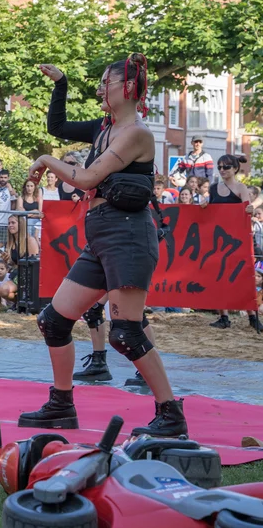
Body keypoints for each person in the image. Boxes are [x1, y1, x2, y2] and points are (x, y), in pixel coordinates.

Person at [20, 58, 185, 437]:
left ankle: (170, 414)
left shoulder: (136, 133)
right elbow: (61, 131)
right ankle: (61, 405)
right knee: (53, 320)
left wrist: (46, 159)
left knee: (125, 333)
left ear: (127, 88)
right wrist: (60, 85)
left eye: (106, 82)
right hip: (102, 236)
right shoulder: (106, 129)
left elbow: (88, 177)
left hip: (128, 237)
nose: (99, 88)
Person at [208, 154, 259, 331]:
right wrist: (203, 207)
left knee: (242, 276)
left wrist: (250, 209)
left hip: (237, 241)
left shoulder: (241, 188)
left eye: (226, 167)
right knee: (219, 277)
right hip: (218, 240)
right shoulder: (213, 188)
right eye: (220, 167)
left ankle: (252, 316)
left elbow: (247, 211)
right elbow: (209, 213)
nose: (222, 170)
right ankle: (224, 317)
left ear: (235, 169)